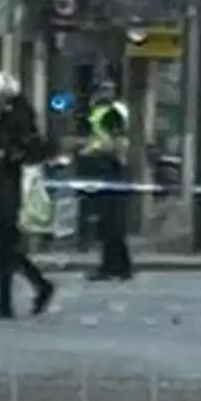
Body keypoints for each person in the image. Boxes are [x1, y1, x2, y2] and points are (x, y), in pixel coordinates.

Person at [0, 72, 55, 319]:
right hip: (1, 184)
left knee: (5, 247)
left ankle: (25, 292)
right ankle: (13, 297)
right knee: (5, 248)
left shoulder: (17, 119)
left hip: (8, 187)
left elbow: (32, 150)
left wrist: (6, 156)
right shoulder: (10, 117)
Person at [80, 80, 132, 281]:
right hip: (102, 169)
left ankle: (116, 267)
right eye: (102, 89)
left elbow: (115, 143)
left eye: (108, 90)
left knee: (113, 224)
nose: (104, 93)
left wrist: (92, 149)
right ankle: (115, 266)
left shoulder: (112, 114)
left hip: (111, 170)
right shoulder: (98, 113)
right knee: (107, 223)